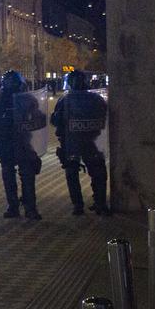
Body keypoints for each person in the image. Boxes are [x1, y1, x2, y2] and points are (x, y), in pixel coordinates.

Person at [0, 70, 45, 220]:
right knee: (14, 175)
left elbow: (39, 119)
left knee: (25, 175)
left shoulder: (28, 100)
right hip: (7, 143)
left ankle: (27, 207)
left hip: (23, 142)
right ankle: (18, 207)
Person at [51, 70, 111, 216]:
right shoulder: (96, 99)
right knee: (98, 173)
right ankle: (100, 203)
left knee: (72, 174)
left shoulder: (65, 100)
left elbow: (55, 121)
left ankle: (78, 205)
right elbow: (106, 117)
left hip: (73, 143)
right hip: (93, 143)